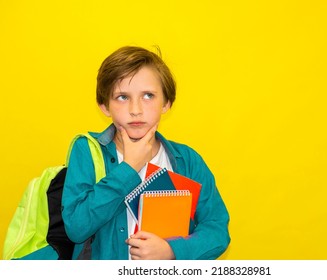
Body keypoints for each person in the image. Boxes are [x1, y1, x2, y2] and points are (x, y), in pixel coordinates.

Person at [62, 46, 230, 260]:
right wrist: (128, 169)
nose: (136, 109)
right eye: (122, 97)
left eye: (148, 96)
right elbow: (76, 227)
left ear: (166, 103)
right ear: (105, 106)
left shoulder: (187, 160)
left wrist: (172, 251)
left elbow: (217, 231)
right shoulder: (87, 150)